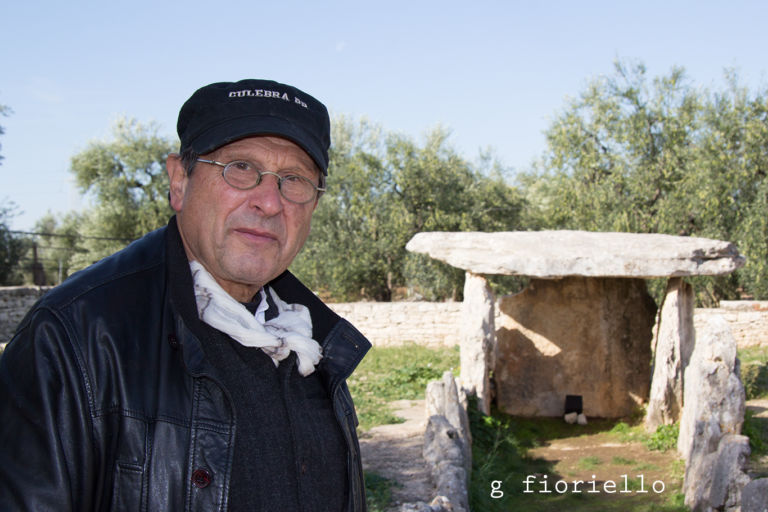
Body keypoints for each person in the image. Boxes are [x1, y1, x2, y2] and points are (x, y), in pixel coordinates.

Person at [0, 79, 371, 511]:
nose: (270, 202)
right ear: (179, 181)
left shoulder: (310, 340)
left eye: (294, 179)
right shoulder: (73, 338)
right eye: (241, 168)